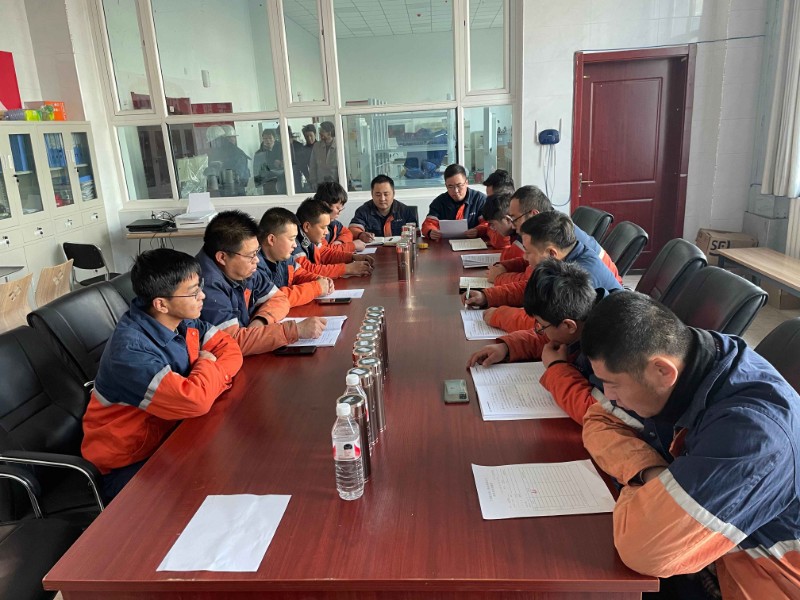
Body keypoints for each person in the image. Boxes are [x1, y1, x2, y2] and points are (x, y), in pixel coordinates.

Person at [580, 291, 800, 599]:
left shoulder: (751, 436)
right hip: (710, 564)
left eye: (613, 384)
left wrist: (652, 495)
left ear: (662, 371)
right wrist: (650, 472)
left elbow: (644, 551)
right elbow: (598, 421)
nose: (608, 395)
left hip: (759, 582)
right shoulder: (688, 361)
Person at [81, 249, 244, 500]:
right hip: (129, 464)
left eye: (199, 287)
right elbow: (195, 401)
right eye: (193, 292)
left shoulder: (182, 320)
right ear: (161, 304)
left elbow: (230, 349)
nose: (202, 296)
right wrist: (206, 365)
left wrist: (209, 379)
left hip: (173, 436)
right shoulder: (131, 352)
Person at [467, 259, 613, 424]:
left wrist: (557, 367)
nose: (539, 330)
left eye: (542, 326)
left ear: (569, 325)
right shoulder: (585, 313)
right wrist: (507, 347)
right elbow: (549, 338)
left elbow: (598, 414)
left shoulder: (610, 351)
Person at [465, 211, 622, 332]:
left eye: (528, 252)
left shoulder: (579, 277)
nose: (524, 257)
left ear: (551, 253)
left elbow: (546, 325)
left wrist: (499, 316)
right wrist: (487, 296)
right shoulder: (566, 256)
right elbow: (532, 288)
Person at [197, 210, 326, 354]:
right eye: (251, 255)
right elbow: (230, 343)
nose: (257, 260)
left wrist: (261, 321)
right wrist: (294, 330)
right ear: (222, 257)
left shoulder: (243, 268)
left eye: (256, 252)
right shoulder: (205, 285)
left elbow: (279, 298)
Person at [486, 185, 621, 286]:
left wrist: (500, 277)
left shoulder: (555, 233)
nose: (512, 224)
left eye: (515, 218)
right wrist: (506, 267)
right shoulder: (547, 226)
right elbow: (530, 261)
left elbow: (534, 282)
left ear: (533, 214)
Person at [258, 207, 335, 307]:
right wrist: (316, 288)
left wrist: (319, 279)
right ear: (271, 240)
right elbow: (275, 299)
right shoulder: (254, 265)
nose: (295, 245)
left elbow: (299, 274)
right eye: (291, 239)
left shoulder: (285, 258)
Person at [294, 198, 373, 279]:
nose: (326, 232)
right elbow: (307, 270)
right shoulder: (293, 242)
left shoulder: (309, 236)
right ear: (307, 226)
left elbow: (324, 253)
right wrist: (347, 269)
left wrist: (352, 257)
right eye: (323, 227)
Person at [421, 164, 487, 240]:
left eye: (459, 185)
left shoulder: (480, 199)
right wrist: (431, 231)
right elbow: (429, 224)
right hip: (446, 244)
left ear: (466, 183)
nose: (455, 191)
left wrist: (478, 230)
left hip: (474, 243)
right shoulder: (439, 202)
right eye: (450, 186)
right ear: (446, 186)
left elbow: (488, 223)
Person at [348, 174, 420, 241]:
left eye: (386, 194)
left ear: (393, 194)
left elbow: (416, 235)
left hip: (399, 249)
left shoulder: (405, 211)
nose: (382, 199)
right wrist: (360, 234)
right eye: (378, 195)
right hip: (373, 249)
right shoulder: (363, 211)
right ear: (372, 194)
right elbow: (353, 229)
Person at [313, 181, 365, 252]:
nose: (339, 213)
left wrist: (340, 242)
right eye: (337, 208)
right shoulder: (316, 226)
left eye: (341, 209)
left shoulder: (333, 223)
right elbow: (324, 252)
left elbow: (347, 233)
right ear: (325, 205)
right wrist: (353, 246)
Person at [206, 124, 250, 196]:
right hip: (226, 192)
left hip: (234, 193)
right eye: (230, 137)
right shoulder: (218, 153)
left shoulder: (235, 153)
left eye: (233, 137)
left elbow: (243, 178)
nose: (232, 140)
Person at [479, 191, 517, 258]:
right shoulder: (513, 233)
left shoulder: (522, 237)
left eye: (493, 224)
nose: (492, 228)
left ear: (507, 220)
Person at [252, 128, 285, 194]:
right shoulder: (259, 154)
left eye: (270, 138)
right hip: (267, 182)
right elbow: (256, 169)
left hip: (283, 180)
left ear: (274, 138)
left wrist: (282, 163)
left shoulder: (283, 149)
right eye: (265, 138)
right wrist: (258, 184)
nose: (268, 140)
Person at [309, 121, 337, 188]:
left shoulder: (339, 145)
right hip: (320, 183)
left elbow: (345, 166)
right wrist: (313, 181)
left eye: (322, 131)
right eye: (320, 130)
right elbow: (312, 165)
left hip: (336, 183)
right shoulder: (316, 146)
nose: (320, 133)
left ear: (329, 133)